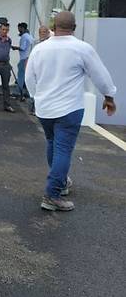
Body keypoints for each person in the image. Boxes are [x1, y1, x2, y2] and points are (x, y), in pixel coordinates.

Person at [25, 11, 117, 211]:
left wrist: (36, 97)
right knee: (63, 150)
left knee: (53, 144)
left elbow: (29, 79)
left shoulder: (39, 49)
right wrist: (109, 96)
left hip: (45, 109)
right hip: (69, 109)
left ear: (53, 26)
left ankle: (61, 183)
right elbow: (100, 75)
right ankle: (52, 194)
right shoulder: (81, 48)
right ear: (74, 28)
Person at [12, 22, 34, 98]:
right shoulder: (29, 36)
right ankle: (27, 91)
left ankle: (19, 91)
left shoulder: (24, 37)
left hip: (24, 58)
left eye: (19, 28)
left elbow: (22, 48)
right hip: (29, 58)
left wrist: (14, 47)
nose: (18, 30)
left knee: (21, 75)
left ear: (22, 28)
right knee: (26, 75)